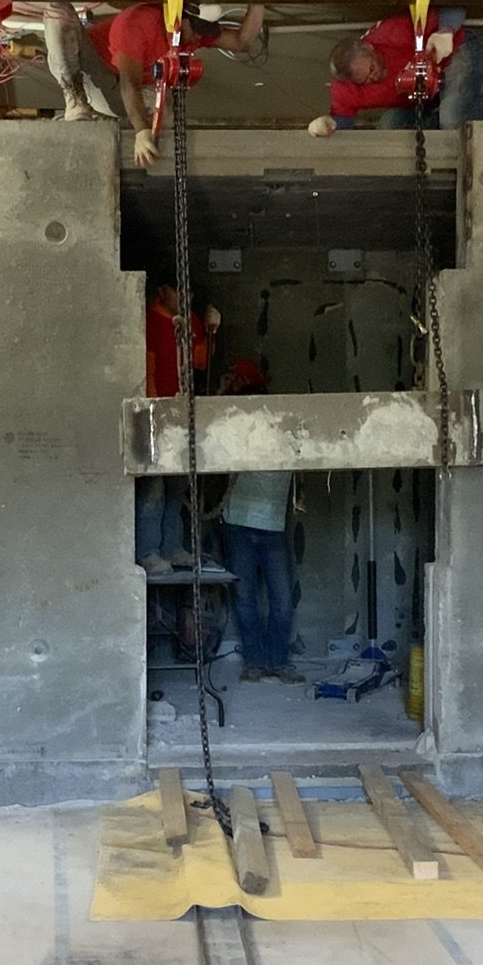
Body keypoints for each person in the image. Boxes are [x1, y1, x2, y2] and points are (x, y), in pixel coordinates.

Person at [45, 1, 266, 166]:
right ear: (181, 19)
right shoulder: (138, 24)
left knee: (165, 109)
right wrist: (141, 131)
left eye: (201, 33)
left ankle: (127, 133)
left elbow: (241, 42)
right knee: (58, 12)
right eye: (194, 31)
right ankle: (75, 102)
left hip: (122, 98)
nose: (196, 39)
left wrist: (258, 0)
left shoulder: (195, 33)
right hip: (91, 75)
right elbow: (128, 83)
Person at [216, 359, 301, 683]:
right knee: (251, 601)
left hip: (269, 525)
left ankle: (273, 661)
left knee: (275, 602)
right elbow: (214, 419)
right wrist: (224, 391)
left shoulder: (283, 427)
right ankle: (260, 661)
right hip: (240, 522)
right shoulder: (237, 427)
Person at [306, 7, 483, 136]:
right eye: (366, 80)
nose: (374, 77)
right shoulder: (346, 89)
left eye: (372, 68)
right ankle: (453, 120)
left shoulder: (392, 32)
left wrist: (445, 31)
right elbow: (342, 119)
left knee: (453, 119)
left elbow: (453, 7)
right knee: (391, 127)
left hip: (457, 52)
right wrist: (329, 125)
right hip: (426, 92)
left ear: (370, 48)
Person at [136, 280, 215, 574]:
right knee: (154, 488)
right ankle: (148, 551)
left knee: (176, 487)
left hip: (182, 416)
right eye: (180, 291)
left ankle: (172, 547)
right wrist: (156, 416)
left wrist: (210, 330)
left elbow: (202, 361)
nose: (187, 297)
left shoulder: (189, 321)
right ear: (162, 290)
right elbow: (148, 369)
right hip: (158, 415)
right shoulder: (149, 321)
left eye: (190, 292)